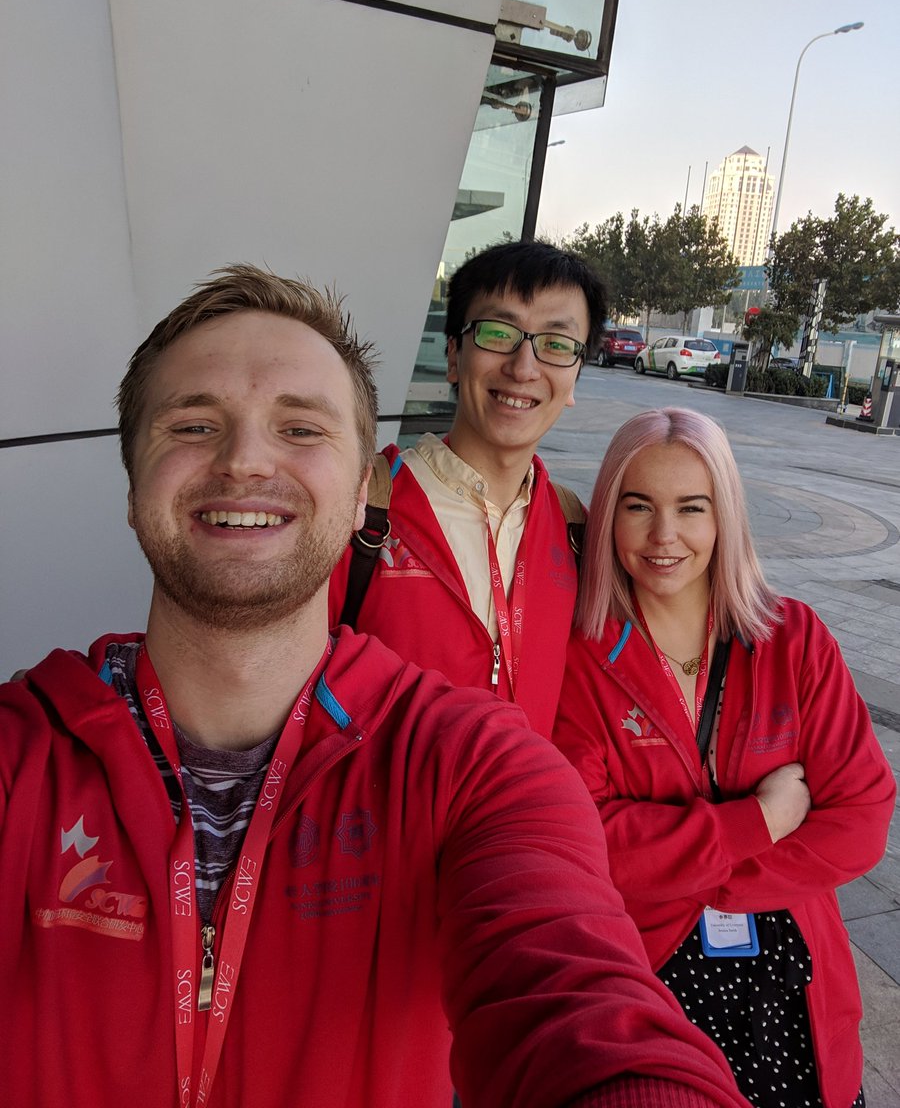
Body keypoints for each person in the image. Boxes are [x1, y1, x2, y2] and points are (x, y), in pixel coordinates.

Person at [0, 269, 752, 1108]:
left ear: (356, 490)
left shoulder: (551, 595)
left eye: (301, 429)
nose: (246, 458)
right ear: (134, 480)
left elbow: (580, 995)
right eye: (195, 423)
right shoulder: (19, 759)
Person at [553, 407, 896, 1108]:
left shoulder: (793, 640)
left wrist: (695, 874)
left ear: (725, 518)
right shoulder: (580, 663)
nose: (663, 536)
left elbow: (859, 820)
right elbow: (586, 844)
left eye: (691, 508)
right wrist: (760, 822)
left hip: (797, 992)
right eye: (637, 505)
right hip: (649, 985)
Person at [328, 240, 606, 738]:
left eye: (557, 345)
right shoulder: (361, 506)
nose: (524, 368)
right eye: (498, 333)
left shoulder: (575, 529)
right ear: (454, 355)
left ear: (576, 376)